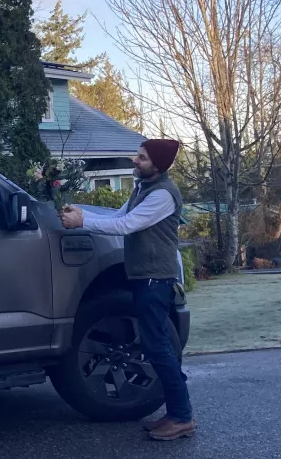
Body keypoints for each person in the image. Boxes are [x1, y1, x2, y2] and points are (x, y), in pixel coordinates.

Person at [60, 139, 195, 441]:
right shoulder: (142, 188)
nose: (135, 160)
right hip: (143, 277)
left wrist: (81, 221)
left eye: (142, 158)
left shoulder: (163, 195)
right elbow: (115, 217)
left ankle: (182, 416)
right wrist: (79, 212)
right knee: (155, 344)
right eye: (138, 155)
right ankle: (177, 413)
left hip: (155, 280)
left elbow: (127, 225)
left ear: (158, 165)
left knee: (157, 347)